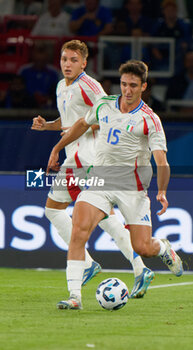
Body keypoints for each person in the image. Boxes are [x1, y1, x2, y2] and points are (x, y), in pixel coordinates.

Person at [46, 59, 183, 310]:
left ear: (143, 86)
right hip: (101, 180)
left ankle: (162, 247)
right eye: (123, 84)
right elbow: (81, 125)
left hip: (133, 189)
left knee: (143, 247)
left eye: (133, 85)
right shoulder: (105, 104)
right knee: (78, 230)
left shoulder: (149, 119)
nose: (127, 90)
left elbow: (161, 159)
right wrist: (58, 147)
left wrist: (162, 191)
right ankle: (75, 297)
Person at [31, 40, 154, 299]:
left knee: (102, 215)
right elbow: (69, 123)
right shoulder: (61, 86)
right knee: (54, 209)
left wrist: (83, 130)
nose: (67, 64)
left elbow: (107, 117)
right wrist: (48, 126)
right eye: (64, 59)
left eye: (74, 60)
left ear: (84, 63)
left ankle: (127, 266)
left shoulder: (89, 86)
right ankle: (99, 264)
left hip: (88, 159)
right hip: (73, 158)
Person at [19, 42, 59, 108]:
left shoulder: (54, 72)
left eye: (42, 60)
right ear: (32, 56)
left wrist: (47, 98)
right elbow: (19, 87)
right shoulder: (24, 70)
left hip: (49, 103)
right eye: (37, 60)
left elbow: (58, 90)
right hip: (27, 103)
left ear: (47, 57)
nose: (40, 60)